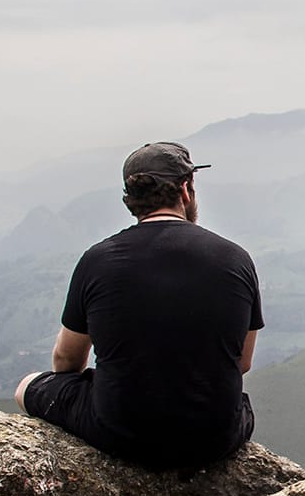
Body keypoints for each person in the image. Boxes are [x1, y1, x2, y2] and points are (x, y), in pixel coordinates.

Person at [15, 141, 262, 470]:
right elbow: (241, 362)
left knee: (24, 387)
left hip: (120, 435)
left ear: (132, 200)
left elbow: (66, 360)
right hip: (216, 437)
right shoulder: (235, 259)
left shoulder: (98, 260)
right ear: (186, 191)